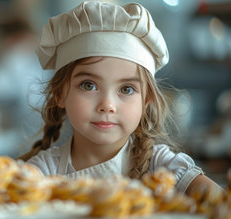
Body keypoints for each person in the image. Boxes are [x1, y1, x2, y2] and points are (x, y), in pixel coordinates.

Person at [18, 1, 223, 195]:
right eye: (89, 85)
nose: (107, 105)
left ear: (146, 101)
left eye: (126, 89)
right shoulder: (42, 172)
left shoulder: (163, 167)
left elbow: (220, 204)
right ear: (60, 94)